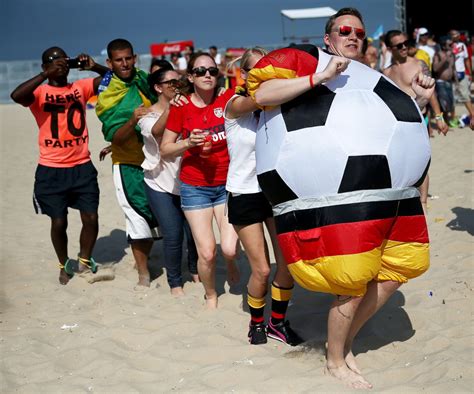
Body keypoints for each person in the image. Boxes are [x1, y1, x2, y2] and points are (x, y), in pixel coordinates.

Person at [247, 7, 434, 388]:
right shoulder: (307, 61)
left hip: (391, 195)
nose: (353, 36)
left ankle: (344, 341)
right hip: (332, 198)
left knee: (400, 269)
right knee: (350, 283)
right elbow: (259, 93)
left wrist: (415, 97)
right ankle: (336, 359)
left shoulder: (371, 79)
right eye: (344, 30)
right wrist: (318, 76)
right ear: (328, 37)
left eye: (359, 32)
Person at [224, 47, 303, 346]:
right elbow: (259, 97)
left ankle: (277, 323)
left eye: (269, 67)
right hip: (244, 193)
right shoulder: (234, 105)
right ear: (244, 74)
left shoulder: (280, 107)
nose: (264, 74)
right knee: (262, 268)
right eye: (256, 69)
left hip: (276, 193)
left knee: (288, 266)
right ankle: (256, 323)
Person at [10, 47, 108, 284]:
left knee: (91, 218)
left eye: (63, 60)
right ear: (44, 67)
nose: (60, 65)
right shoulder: (39, 93)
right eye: (53, 62)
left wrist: (93, 65)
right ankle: (64, 264)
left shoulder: (80, 88)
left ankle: (84, 261)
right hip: (51, 168)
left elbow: (114, 79)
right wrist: (45, 75)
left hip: (82, 165)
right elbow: (16, 95)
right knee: (59, 221)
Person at [161, 52, 240, 309]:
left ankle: (230, 262)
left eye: (212, 70)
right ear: (191, 76)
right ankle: (211, 295)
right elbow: (165, 148)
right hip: (195, 186)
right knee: (207, 252)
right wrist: (187, 142)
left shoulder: (228, 99)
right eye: (200, 71)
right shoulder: (181, 107)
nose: (207, 75)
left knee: (228, 249)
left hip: (227, 183)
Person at [95, 38, 159, 287]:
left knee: (154, 217)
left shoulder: (144, 79)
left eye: (128, 58)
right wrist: (132, 121)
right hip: (127, 164)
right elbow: (115, 138)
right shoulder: (108, 95)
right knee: (136, 217)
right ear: (109, 63)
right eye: (118, 60)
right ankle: (143, 273)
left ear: (134, 58)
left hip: (155, 160)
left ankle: (143, 259)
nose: (125, 63)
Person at [138, 63, 199, 296]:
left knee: (194, 232)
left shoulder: (187, 105)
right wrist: (172, 108)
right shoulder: (147, 114)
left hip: (188, 179)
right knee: (174, 234)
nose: (176, 86)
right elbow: (156, 131)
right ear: (157, 87)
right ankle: (174, 282)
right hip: (158, 182)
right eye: (170, 83)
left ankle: (195, 270)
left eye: (178, 81)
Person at [384, 30, 448, 213]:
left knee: (420, 160)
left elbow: (431, 92)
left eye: (406, 43)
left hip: (420, 118)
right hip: (399, 123)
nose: (404, 47)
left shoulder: (418, 64)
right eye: (399, 45)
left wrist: (440, 117)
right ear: (390, 49)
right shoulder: (386, 72)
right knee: (401, 161)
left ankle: (423, 203)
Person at [450, 29, 474, 130]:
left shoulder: (462, 46)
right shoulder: (447, 46)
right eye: (454, 34)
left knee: (465, 95)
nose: (457, 35)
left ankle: (472, 115)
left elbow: (466, 59)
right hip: (450, 75)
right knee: (450, 99)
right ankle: (452, 118)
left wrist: (470, 73)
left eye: (458, 34)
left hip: (461, 73)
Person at [432, 37, 457, 127]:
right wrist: (444, 58)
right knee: (443, 104)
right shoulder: (438, 55)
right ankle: (442, 122)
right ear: (443, 45)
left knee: (449, 104)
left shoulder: (452, 55)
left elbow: (453, 68)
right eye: (450, 44)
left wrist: (456, 81)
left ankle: (446, 121)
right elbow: (435, 69)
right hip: (440, 82)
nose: (452, 46)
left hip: (449, 82)